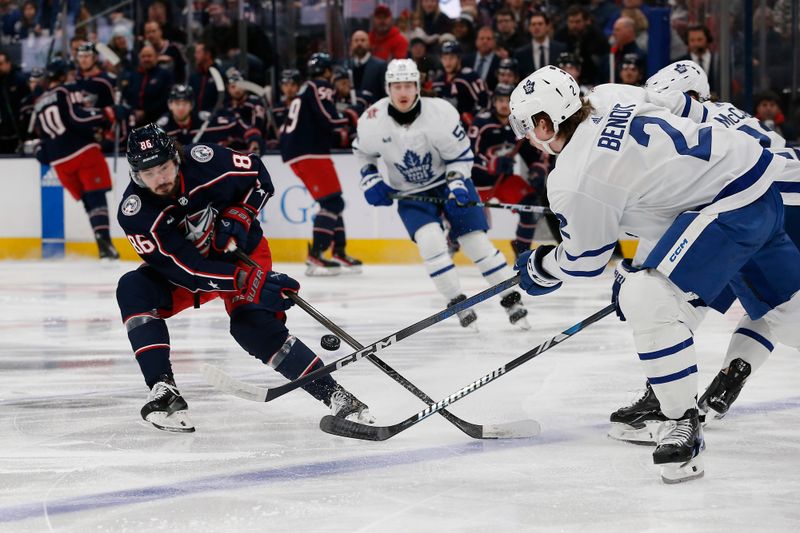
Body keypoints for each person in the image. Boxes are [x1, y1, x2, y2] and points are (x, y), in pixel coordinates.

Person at [510, 65, 800, 483]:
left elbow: (584, 260)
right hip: (761, 189)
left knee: (644, 295)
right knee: (791, 318)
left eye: (527, 127)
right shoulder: (610, 95)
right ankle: (668, 394)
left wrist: (541, 267)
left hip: (729, 209)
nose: (527, 140)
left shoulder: (573, 177)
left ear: (544, 122)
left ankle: (680, 421)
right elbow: (663, 174)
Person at [115, 124, 374, 433]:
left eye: (164, 167)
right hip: (197, 273)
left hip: (242, 251)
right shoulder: (137, 214)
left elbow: (259, 176)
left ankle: (338, 396)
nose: (161, 178)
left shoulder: (208, 161)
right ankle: (163, 390)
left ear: (176, 158)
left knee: (251, 326)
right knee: (133, 289)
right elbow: (188, 272)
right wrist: (247, 281)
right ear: (135, 175)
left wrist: (242, 213)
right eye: (149, 173)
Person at [604, 60, 799, 442]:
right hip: (783, 195)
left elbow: (676, 205)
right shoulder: (728, 114)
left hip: (763, 202)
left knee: (679, 291)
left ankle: (665, 397)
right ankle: (732, 373)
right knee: (770, 302)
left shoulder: (689, 115)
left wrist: (641, 268)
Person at [354, 59, 530, 330]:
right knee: (431, 242)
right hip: (410, 192)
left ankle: (512, 299)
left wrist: (457, 184)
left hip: (449, 182)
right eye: (397, 86)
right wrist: (370, 176)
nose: (403, 92)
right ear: (388, 88)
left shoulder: (440, 113)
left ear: (418, 87)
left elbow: (460, 156)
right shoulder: (372, 120)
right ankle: (457, 301)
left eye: (409, 85)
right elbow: (363, 152)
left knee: (476, 241)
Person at [279, 53, 363, 276]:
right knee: (332, 204)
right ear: (327, 72)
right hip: (309, 152)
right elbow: (329, 118)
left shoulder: (305, 88)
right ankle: (316, 253)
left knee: (334, 201)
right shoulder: (321, 85)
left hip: (302, 150)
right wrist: (351, 115)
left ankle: (339, 251)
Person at [33, 59, 121, 260]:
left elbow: (42, 138)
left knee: (88, 200)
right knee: (97, 196)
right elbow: (77, 118)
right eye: (71, 72)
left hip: (59, 162)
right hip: (81, 151)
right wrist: (107, 113)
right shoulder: (66, 90)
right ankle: (105, 244)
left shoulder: (39, 103)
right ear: (63, 75)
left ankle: (102, 243)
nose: (75, 75)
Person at [468, 83, 548, 257]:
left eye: (507, 100)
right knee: (469, 223)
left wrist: (538, 170)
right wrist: (491, 164)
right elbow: (468, 154)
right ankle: (451, 244)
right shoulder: (482, 122)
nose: (504, 105)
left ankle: (522, 250)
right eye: (500, 100)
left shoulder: (518, 123)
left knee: (531, 205)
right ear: (493, 101)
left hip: (504, 180)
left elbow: (533, 154)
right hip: (477, 183)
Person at [157, 84, 261, 152]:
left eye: (185, 103)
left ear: (192, 105)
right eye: (177, 103)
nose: (181, 107)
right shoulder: (162, 129)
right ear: (170, 105)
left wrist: (254, 140)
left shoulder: (206, 120)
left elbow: (237, 125)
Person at [431, 40, 489, 126]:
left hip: (466, 130)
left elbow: (485, 103)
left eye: (451, 58)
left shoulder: (470, 77)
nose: (448, 62)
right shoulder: (437, 82)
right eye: (444, 58)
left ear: (459, 58)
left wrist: (473, 118)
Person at [513, 11, 567, 78]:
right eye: (533, 24)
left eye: (540, 24)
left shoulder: (561, 49)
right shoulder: (521, 53)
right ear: (529, 28)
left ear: (547, 26)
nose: (537, 27)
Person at [348, 30, 387, 101]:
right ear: (351, 44)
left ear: (369, 43)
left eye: (363, 40)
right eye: (356, 41)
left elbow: (385, 93)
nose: (359, 43)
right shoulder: (347, 65)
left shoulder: (380, 66)